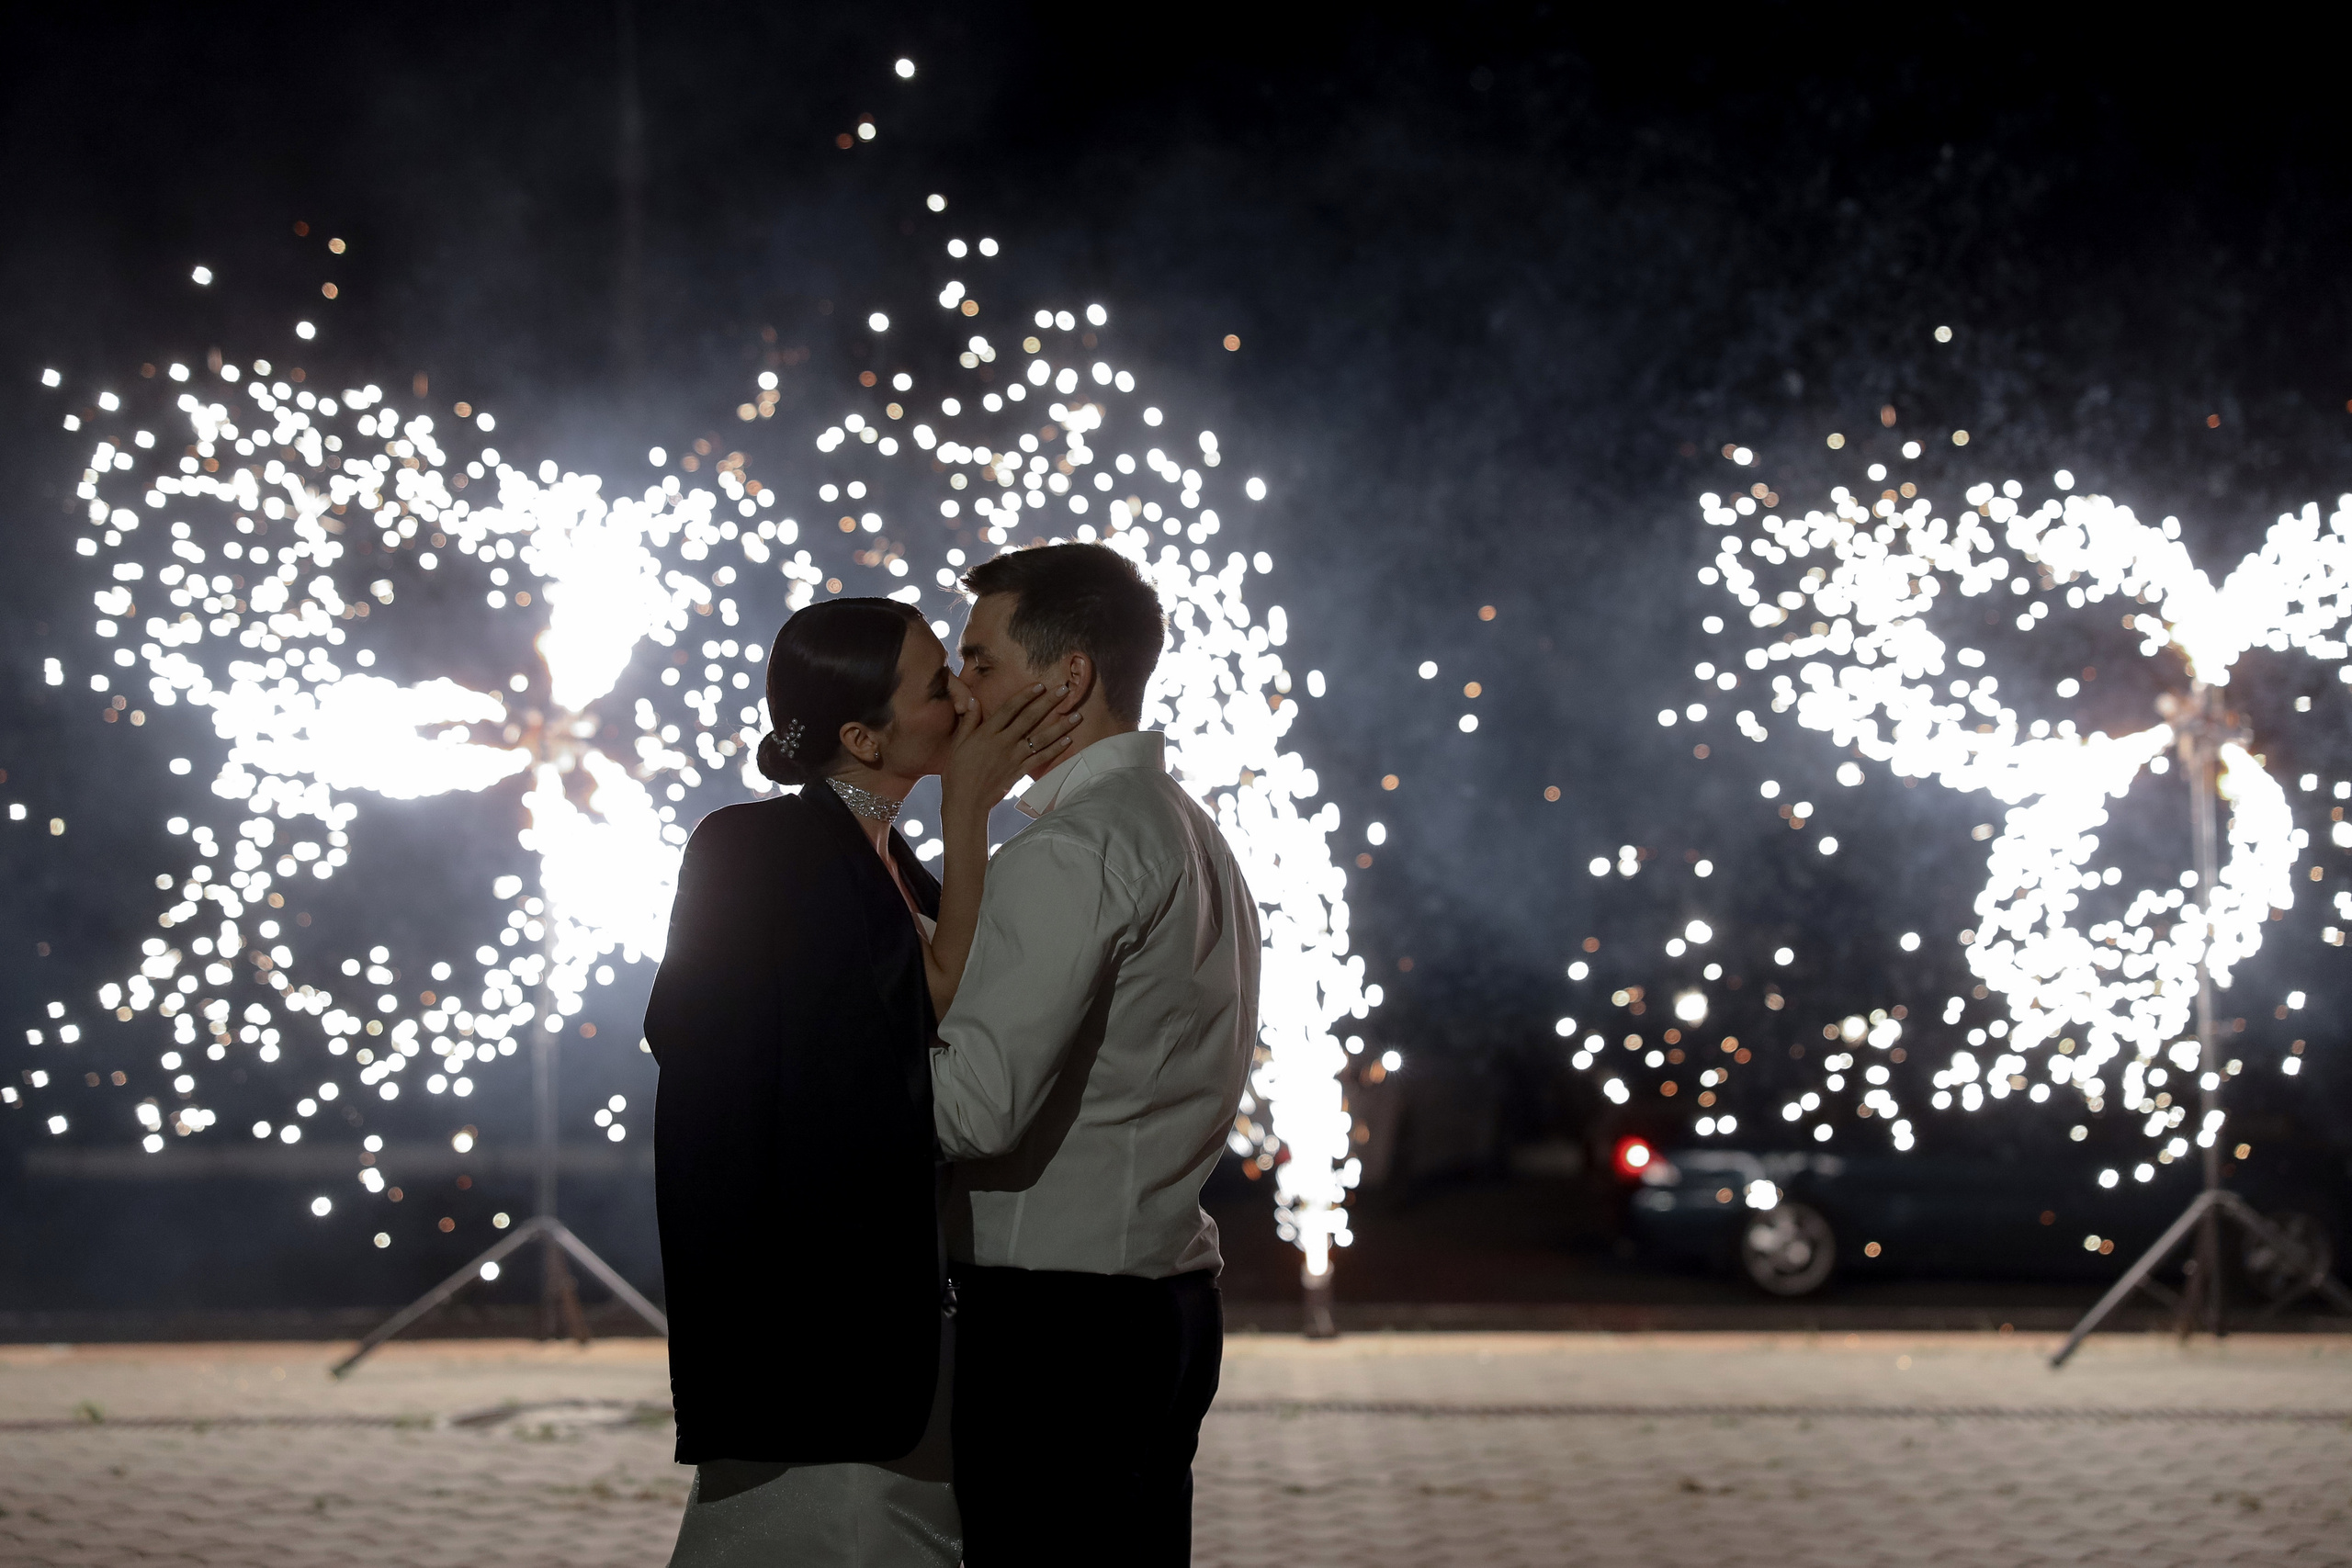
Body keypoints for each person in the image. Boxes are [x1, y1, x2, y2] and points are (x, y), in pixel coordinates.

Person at [648, 595, 1077, 1567]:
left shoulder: (895, 861)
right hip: (808, 1311)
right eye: (936, 686)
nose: (965, 702)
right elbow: (923, 1000)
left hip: (889, 1306)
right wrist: (967, 807)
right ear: (861, 736)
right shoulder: (756, 847)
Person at [933, 544, 1263, 1566]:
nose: (960, 690)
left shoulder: (1071, 849)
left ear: (1067, 677)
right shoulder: (1188, 831)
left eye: (982, 661)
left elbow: (974, 1109)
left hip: (1056, 1320)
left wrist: (815, 1076)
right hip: (1158, 1299)